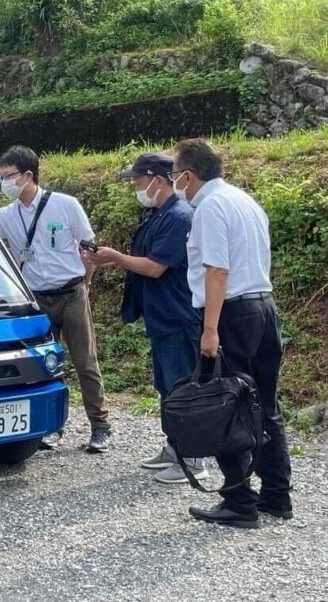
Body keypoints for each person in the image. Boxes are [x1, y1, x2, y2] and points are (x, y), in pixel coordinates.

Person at [171, 138, 293, 528]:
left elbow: (217, 270)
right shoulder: (244, 200)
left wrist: (210, 329)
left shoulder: (209, 207)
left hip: (230, 313)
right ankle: (277, 494)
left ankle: (239, 502)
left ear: (189, 175)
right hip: (263, 307)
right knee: (265, 404)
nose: (175, 182)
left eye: (175, 174)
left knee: (224, 405)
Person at [87, 153, 207, 484]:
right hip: (160, 315)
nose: (136, 188)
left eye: (139, 182)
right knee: (166, 386)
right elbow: (143, 259)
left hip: (178, 316)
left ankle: (193, 458)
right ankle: (174, 447)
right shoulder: (156, 214)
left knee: (183, 387)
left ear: (158, 180)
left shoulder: (179, 217)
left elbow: (155, 267)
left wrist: (116, 257)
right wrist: (110, 259)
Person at [0, 145, 111, 453]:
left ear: (28, 175)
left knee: (85, 362)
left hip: (71, 293)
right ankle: (52, 426)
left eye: (8, 176)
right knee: (45, 364)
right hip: (37, 301)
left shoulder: (65, 205)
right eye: (1, 177)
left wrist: (85, 284)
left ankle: (100, 426)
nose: (4, 182)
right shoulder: (7, 215)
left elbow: (89, 248)